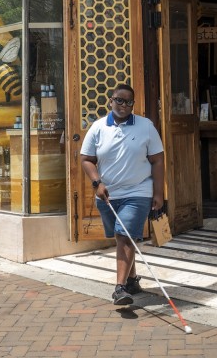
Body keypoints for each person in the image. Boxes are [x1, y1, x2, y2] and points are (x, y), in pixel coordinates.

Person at [80, 83, 164, 306]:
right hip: (108, 194)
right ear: (110, 100)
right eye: (119, 100)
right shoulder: (98, 127)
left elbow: (157, 160)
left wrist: (158, 193)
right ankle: (133, 280)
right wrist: (97, 183)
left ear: (133, 104)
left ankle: (120, 288)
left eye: (128, 102)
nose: (123, 105)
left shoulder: (146, 126)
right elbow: (86, 159)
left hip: (139, 191)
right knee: (121, 237)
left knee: (126, 236)